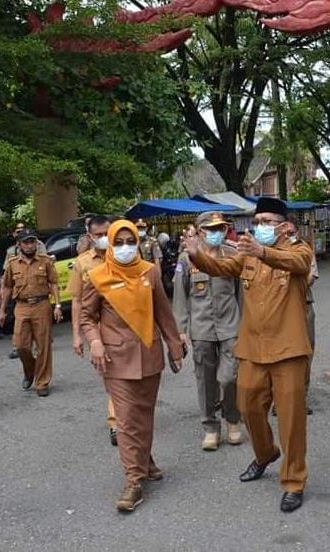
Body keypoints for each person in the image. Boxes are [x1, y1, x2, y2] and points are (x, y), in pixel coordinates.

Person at [185, 197, 313, 513]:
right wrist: (195, 254)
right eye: (258, 222)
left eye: (268, 222)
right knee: (247, 406)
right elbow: (221, 267)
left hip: (288, 349)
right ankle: (266, 452)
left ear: (284, 226)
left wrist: (264, 251)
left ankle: (293, 480)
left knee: (291, 420)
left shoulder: (299, 251)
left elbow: (298, 265)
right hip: (253, 348)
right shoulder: (247, 257)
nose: (260, 227)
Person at [81, 219, 184, 512]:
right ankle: (134, 481)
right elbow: (87, 317)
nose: (125, 247)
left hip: (149, 354)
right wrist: (96, 342)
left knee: (144, 415)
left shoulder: (149, 273)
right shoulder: (97, 276)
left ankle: (145, 460)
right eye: (119, 242)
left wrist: (175, 348)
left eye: (130, 242)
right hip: (115, 359)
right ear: (109, 245)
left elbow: (164, 313)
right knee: (125, 421)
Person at [173, 211, 243, 451]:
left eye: (220, 228)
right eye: (211, 229)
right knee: (205, 380)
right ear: (200, 231)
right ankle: (211, 427)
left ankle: (232, 419)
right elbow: (180, 296)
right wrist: (180, 329)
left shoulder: (233, 254)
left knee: (230, 377)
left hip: (230, 324)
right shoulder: (186, 259)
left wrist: (247, 324)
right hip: (201, 327)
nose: (217, 233)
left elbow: (240, 292)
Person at [68, 215, 118, 445]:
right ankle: (116, 422)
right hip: (96, 328)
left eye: (107, 233)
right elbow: (77, 301)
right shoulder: (83, 263)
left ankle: (126, 415)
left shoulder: (125, 254)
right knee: (109, 375)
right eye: (98, 235)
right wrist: (77, 335)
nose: (104, 239)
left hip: (124, 325)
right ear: (90, 236)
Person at [0, 229, 62, 397]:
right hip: (21, 306)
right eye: (25, 242)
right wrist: (2, 310)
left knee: (43, 346)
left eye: (32, 242)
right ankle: (30, 371)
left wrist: (57, 305)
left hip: (42, 305)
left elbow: (54, 283)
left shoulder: (45, 261)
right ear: (19, 245)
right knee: (20, 345)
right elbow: (6, 287)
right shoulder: (13, 264)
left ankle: (42, 382)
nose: (29, 245)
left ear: (36, 243)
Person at [285, 219, 317, 415]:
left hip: (303, 303)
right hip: (277, 309)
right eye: (285, 231)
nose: (288, 234)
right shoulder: (266, 251)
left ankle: (300, 397)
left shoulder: (304, 249)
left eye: (291, 231)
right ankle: (278, 398)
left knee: (305, 352)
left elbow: (311, 275)